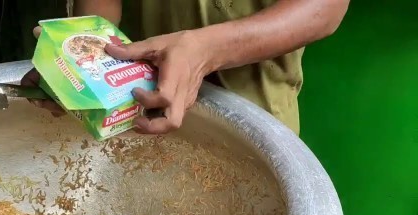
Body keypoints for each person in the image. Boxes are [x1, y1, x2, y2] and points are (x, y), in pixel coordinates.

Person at [22, 0, 350, 136]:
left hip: (252, 110)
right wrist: (83, 63)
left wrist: (205, 50)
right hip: (133, 95)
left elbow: (324, 8)